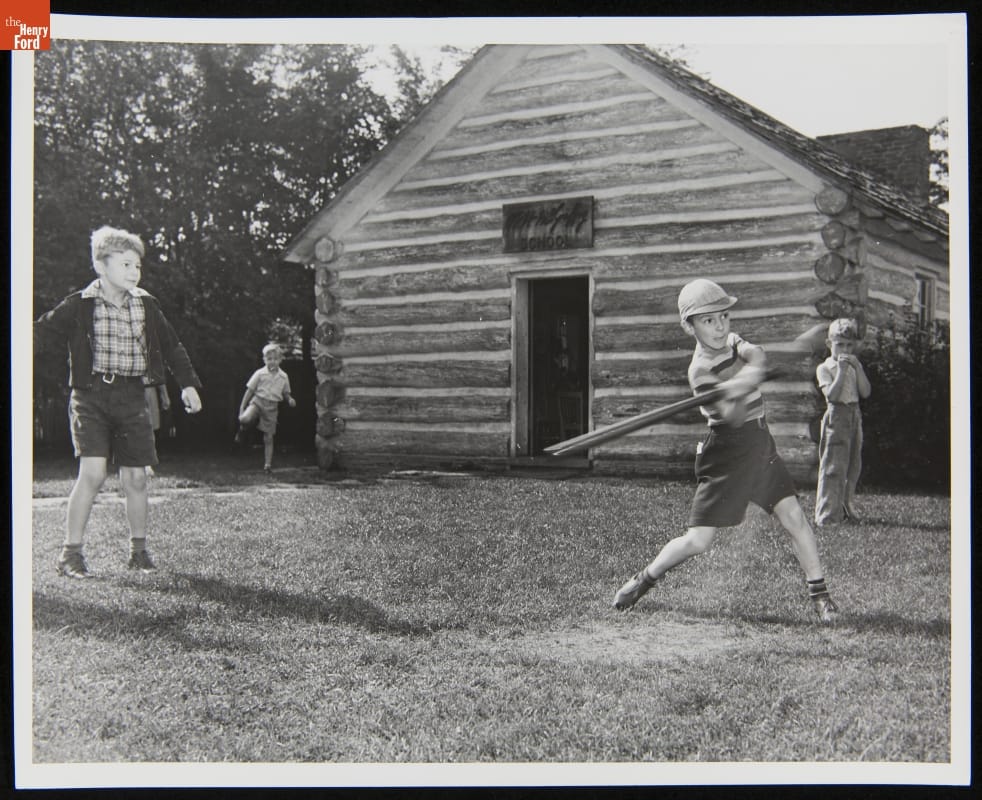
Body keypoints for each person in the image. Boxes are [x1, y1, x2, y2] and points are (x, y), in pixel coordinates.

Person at [612, 279, 839, 623]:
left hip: (760, 445)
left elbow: (755, 353)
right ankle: (643, 580)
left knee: (794, 518)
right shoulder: (699, 372)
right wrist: (738, 388)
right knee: (699, 541)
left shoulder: (732, 340)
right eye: (708, 320)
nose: (720, 327)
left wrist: (745, 377)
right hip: (726, 453)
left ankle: (821, 597)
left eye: (724, 316)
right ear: (689, 327)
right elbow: (731, 417)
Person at [34, 225, 203, 579]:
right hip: (90, 397)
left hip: (131, 396)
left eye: (137, 266)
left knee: (136, 478)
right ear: (101, 265)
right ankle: (71, 555)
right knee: (93, 474)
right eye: (126, 265)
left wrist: (188, 384)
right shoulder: (80, 304)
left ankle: (139, 553)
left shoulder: (146, 304)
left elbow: (172, 346)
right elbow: (40, 330)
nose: (134, 272)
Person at [814, 318, 871, 525]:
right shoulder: (825, 368)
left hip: (854, 414)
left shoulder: (855, 366)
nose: (845, 350)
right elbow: (832, 395)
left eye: (849, 345)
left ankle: (846, 506)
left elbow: (865, 392)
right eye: (840, 345)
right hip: (836, 416)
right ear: (830, 344)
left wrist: (858, 368)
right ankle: (827, 515)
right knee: (833, 466)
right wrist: (842, 370)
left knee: (853, 465)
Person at [234, 343, 296, 473]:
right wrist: (242, 407)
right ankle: (242, 430)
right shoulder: (260, 373)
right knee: (244, 419)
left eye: (275, 359)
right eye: (269, 359)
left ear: (280, 360)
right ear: (264, 360)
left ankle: (267, 465)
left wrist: (289, 399)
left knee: (268, 437)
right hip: (258, 402)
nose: (272, 362)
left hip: (272, 407)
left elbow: (285, 393)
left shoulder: (283, 377)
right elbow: (250, 391)